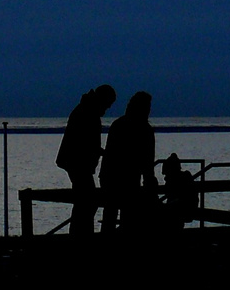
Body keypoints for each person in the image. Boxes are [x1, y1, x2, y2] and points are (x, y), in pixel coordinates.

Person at [56, 84, 115, 237]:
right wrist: (103, 152)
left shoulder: (86, 110)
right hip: (77, 163)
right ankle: (81, 236)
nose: (107, 109)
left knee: (85, 202)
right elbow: (85, 143)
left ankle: (80, 234)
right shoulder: (87, 112)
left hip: (77, 162)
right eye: (107, 105)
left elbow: (88, 143)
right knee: (87, 201)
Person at [100, 91, 157, 233]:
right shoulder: (145, 130)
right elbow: (148, 161)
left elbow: (110, 155)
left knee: (111, 216)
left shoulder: (118, 125)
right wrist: (149, 181)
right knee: (126, 217)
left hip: (113, 178)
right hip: (126, 180)